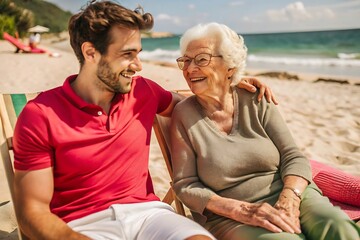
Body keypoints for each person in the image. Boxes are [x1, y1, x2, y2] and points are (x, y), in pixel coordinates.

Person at [12, 2, 275, 239]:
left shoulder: (143, 91)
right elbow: (31, 212)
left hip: (150, 215)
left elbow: (196, 103)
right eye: (127, 54)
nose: (138, 65)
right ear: (90, 53)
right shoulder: (40, 115)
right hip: (82, 225)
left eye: (138, 53)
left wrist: (230, 86)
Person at [170, 22, 360, 240]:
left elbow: (293, 155)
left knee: (337, 226)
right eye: (185, 60)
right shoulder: (183, 114)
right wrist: (240, 210)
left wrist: (291, 197)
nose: (189, 68)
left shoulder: (256, 98)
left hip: (290, 193)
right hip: (229, 216)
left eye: (202, 59)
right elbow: (185, 185)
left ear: (230, 67)